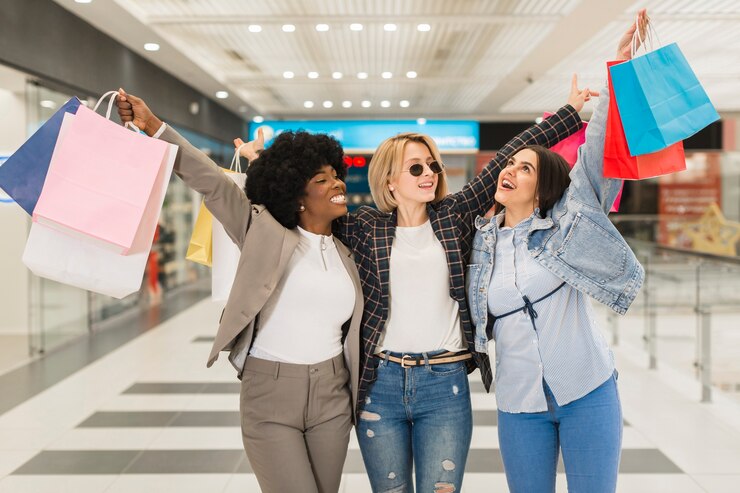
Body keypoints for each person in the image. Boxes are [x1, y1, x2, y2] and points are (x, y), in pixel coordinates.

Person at [295, 83, 590, 491]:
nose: (429, 174)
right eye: (415, 168)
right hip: (380, 384)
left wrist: (568, 113)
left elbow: (504, 159)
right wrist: (257, 170)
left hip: (445, 383)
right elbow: (305, 214)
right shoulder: (363, 227)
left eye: (432, 165)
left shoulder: (453, 215)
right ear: (390, 180)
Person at [116, 92, 364, 493]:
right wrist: (154, 126)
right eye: (321, 180)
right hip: (270, 394)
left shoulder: (348, 245)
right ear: (296, 197)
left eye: (335, 174)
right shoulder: (262, 230)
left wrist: (258, 158)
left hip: (333, 397)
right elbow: (211, 181)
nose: (336, 182)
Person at [465, 11, 649, 493]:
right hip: (518, 400)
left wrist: (616, 69)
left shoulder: (567, 220)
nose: (510, 170)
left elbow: (596, 150)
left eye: (525, 168)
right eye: (509, 163)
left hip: (587, 389)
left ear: (543, 186)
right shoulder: (478, 239)